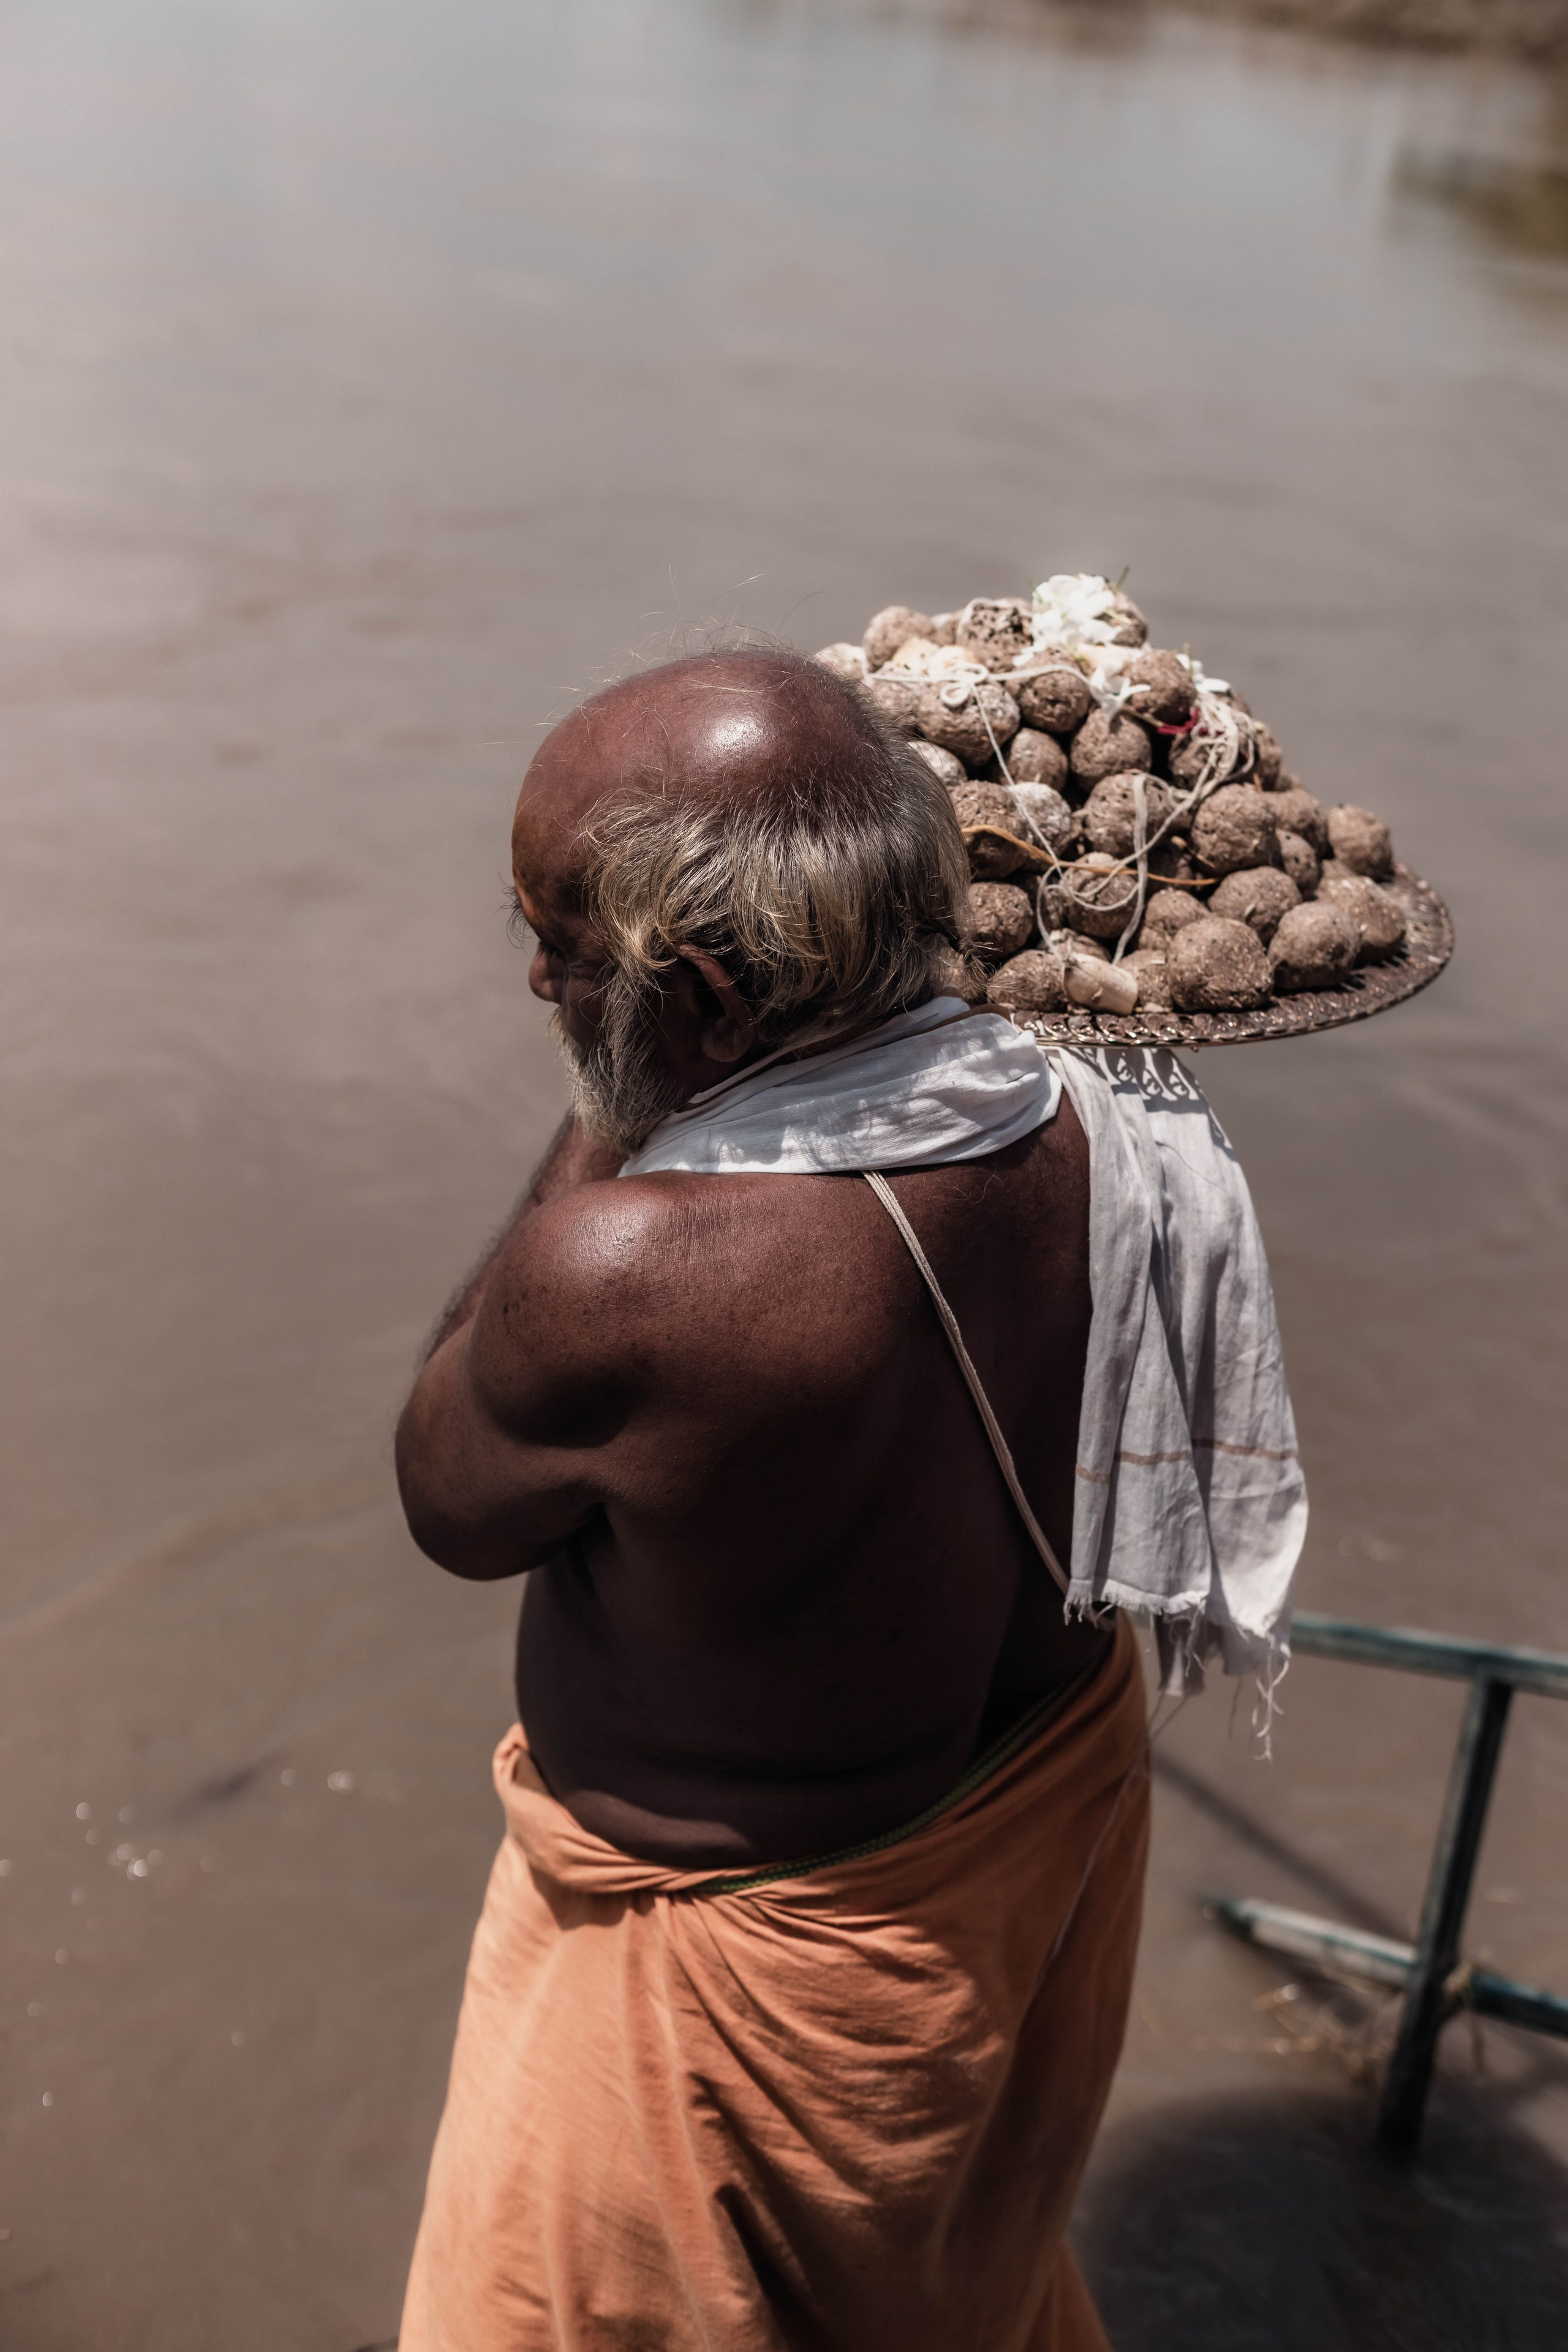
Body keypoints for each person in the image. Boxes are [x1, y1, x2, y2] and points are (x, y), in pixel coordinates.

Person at [394, 648, 1306, 2351]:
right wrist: (652, 1032)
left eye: (567, 947)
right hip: (1019, 1884)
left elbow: (449, 1501)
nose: (535, 974)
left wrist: (619, 1106)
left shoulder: (629, 1271)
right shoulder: (1102, 1123)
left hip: (727, 1994)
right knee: (942, 2294)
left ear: (721, 993)